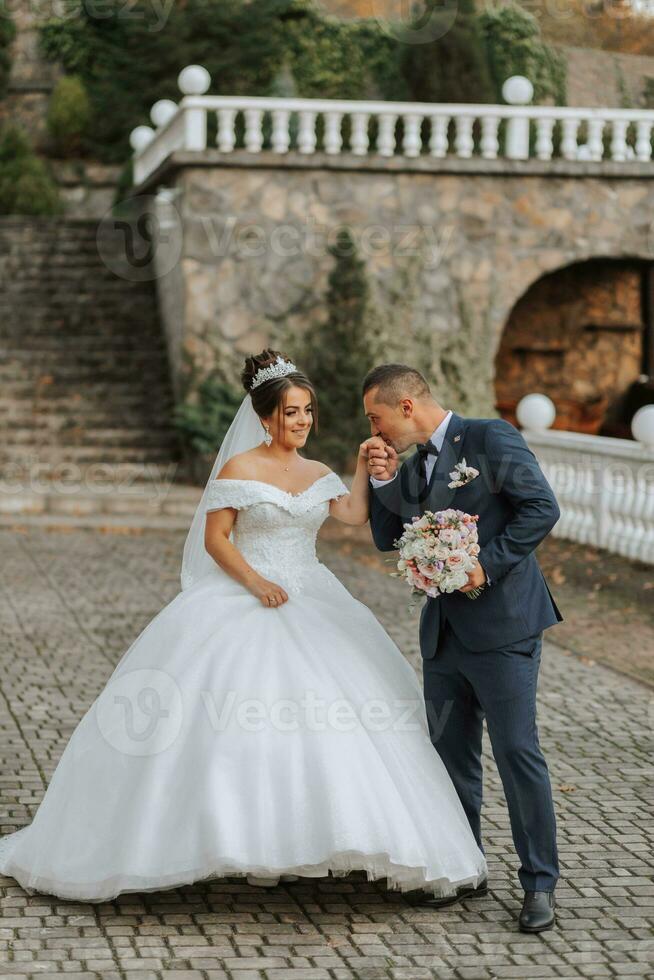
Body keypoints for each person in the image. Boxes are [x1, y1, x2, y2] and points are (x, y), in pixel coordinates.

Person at [0, 350, 486, 904]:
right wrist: (255, 584)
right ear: (264, 419)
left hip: (314, 597)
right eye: (290, 413)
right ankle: (210, 840)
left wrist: (360, 466)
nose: (301, 422)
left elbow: (351, 514)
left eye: (307, 411)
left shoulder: (316, 472)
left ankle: (316, 838)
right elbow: (216, 540)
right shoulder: (239, 469)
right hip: (245, 596)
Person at [363, 362, 563, 933]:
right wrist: (382, 480)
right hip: (444, 634)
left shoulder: (487, 437)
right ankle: (463, 867)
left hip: (504, 627)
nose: (375, 431)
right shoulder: (413, 462)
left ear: (405, 407)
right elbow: (385, 537)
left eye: (376, 418)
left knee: (517, 753)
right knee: (451, 757)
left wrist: (483, 566)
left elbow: (540, 509)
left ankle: (539, 885)